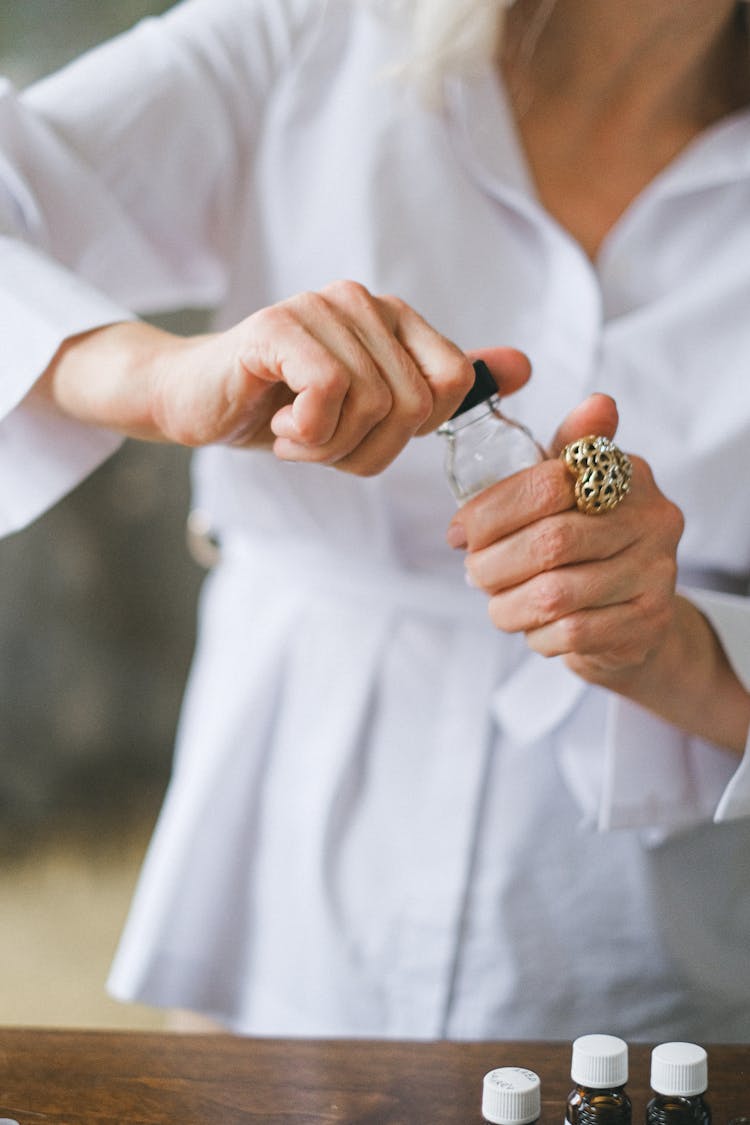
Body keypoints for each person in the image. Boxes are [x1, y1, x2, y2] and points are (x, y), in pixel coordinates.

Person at [1, 0, 750, 1041]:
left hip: (656, 964)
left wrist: (684, 654)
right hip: (287, 883)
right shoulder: (312, 33)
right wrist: (154, 375)